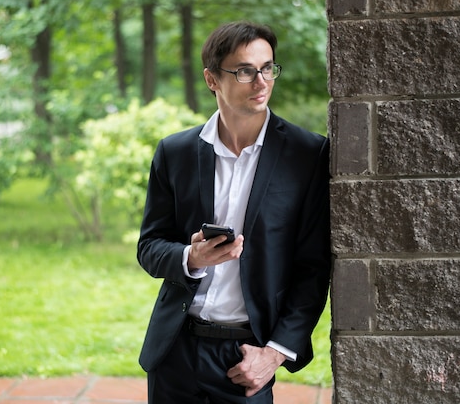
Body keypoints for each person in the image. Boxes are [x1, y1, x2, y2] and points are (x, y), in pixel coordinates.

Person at [137, 21, 331, 403]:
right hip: (175, 350)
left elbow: (313, 268)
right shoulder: (174, 153)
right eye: (244, 70)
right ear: (212, 79)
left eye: (267, 67)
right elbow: (149, 246)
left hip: (247, 359)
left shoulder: (308, 155)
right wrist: (189, 256)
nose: (261, 81)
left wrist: (274, 354)